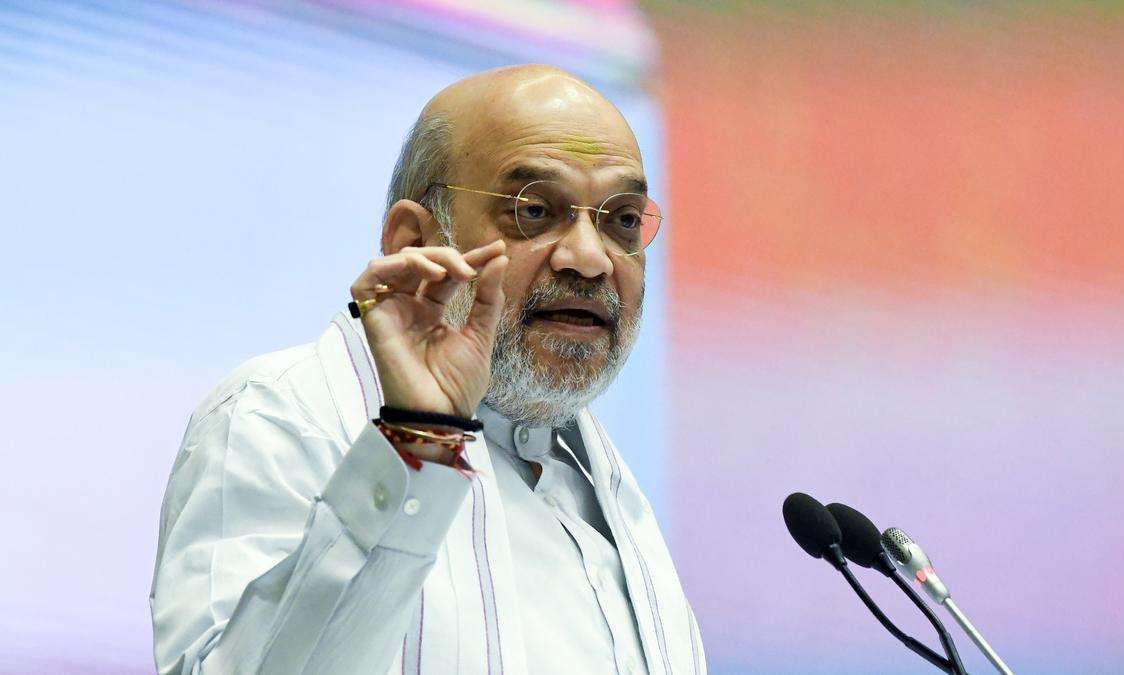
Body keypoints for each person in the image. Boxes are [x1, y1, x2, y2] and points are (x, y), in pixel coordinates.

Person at [150, 64, 705, 675]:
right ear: (414, 241)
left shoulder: (604, 485)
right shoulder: (281, 413)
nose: (590, 259)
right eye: (533, 210)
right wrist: (417, 443)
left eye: (622, 219)